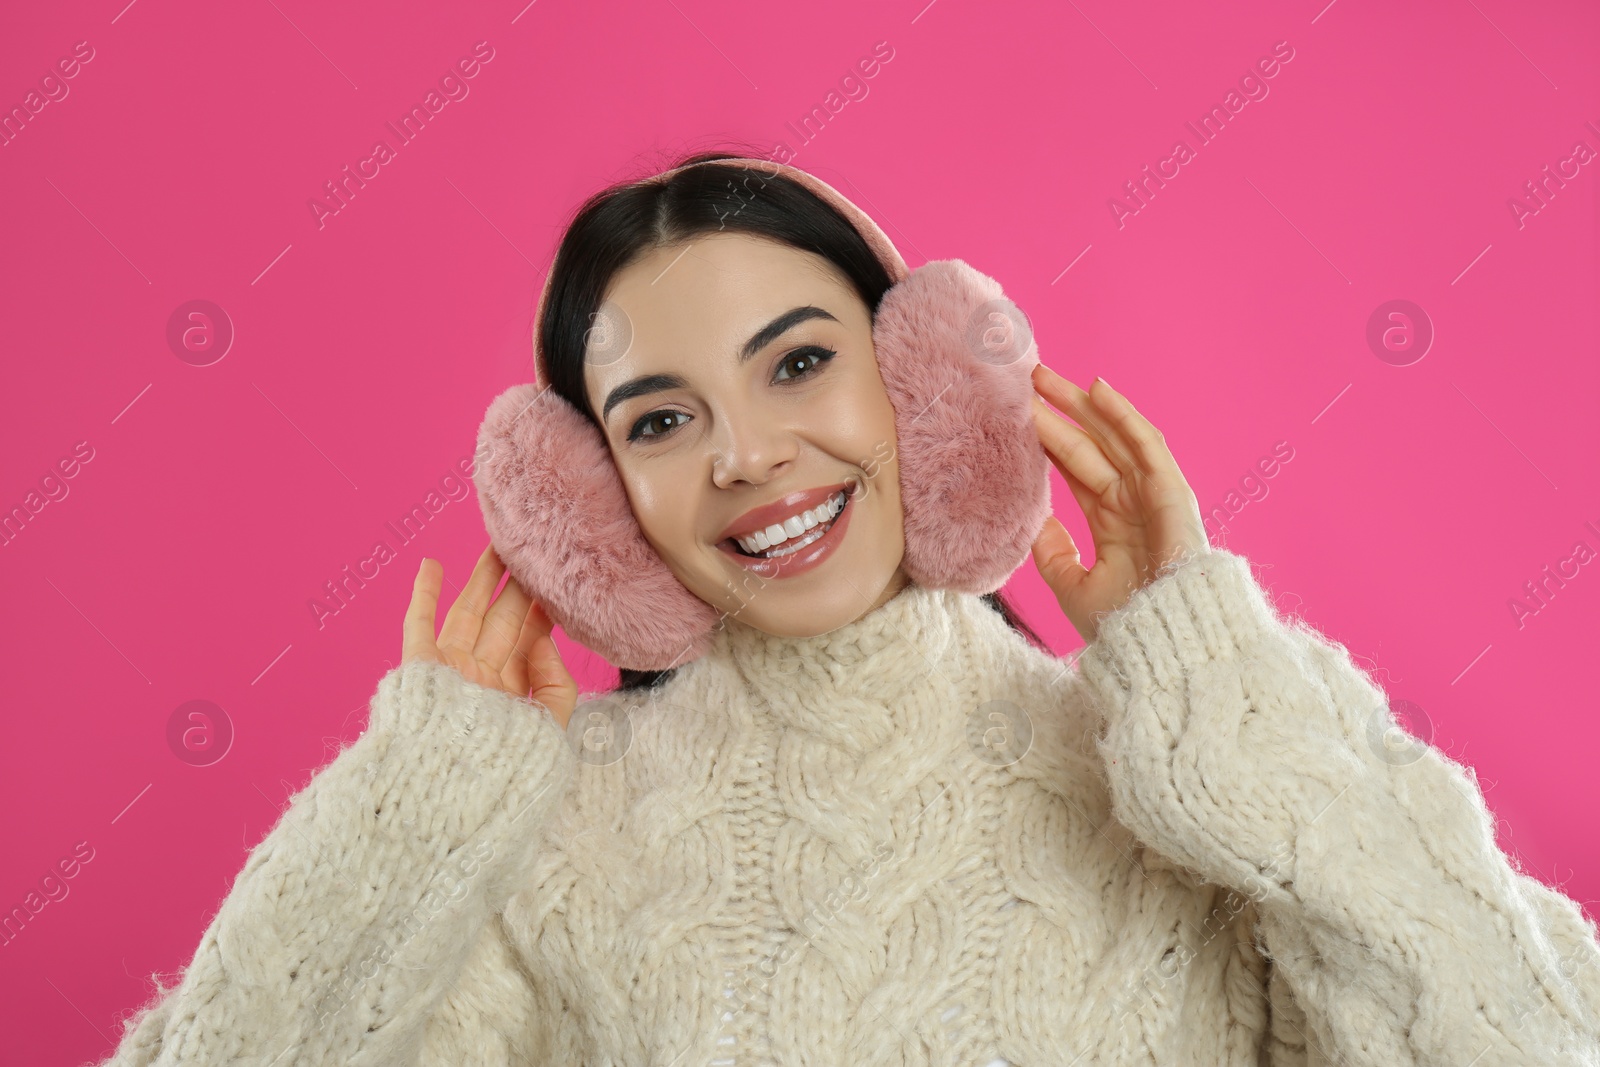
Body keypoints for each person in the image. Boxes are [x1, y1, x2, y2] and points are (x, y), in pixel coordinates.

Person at [93, 151, 1600, 1067]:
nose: (747, 454)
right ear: (595, 502)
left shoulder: (1199, 761)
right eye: (660, 420)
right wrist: (411, 813)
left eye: (800, 362)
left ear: (924, 382)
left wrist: (1225, 705)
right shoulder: (553, 847)